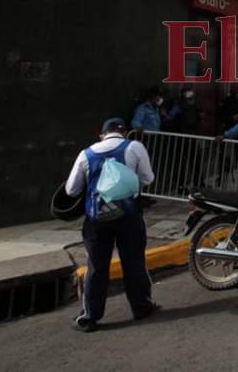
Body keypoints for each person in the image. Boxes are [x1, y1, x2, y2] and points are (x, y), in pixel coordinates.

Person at [65, 118, 159, 331]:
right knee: (134, 262)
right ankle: (141, 307)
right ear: (124, 132)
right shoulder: (134, 147)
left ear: (102, 135)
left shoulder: (86, 154)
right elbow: (147, 179)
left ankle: (90, 317)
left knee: (97, 267)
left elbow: (71, 190)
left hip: (97, 220)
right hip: (129, 216)